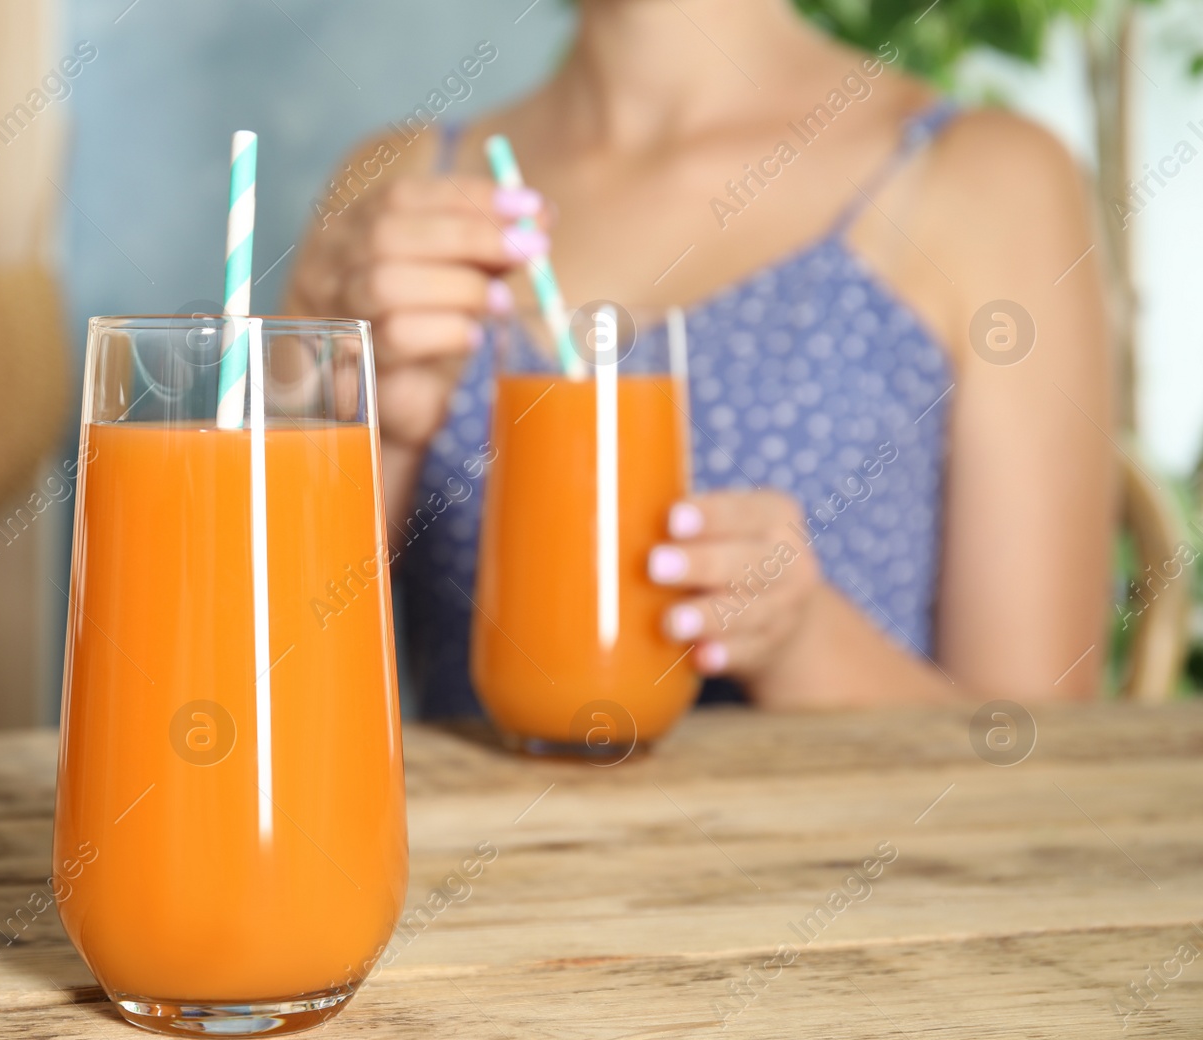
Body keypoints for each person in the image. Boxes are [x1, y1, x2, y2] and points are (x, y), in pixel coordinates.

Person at [286, 0, 1114, 711]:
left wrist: (801, 644)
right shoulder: (392, 195)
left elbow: (1039, 764)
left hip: (849, 886)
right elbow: (263, 693)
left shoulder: (989, 179)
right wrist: (382, 438)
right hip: (484, 893)